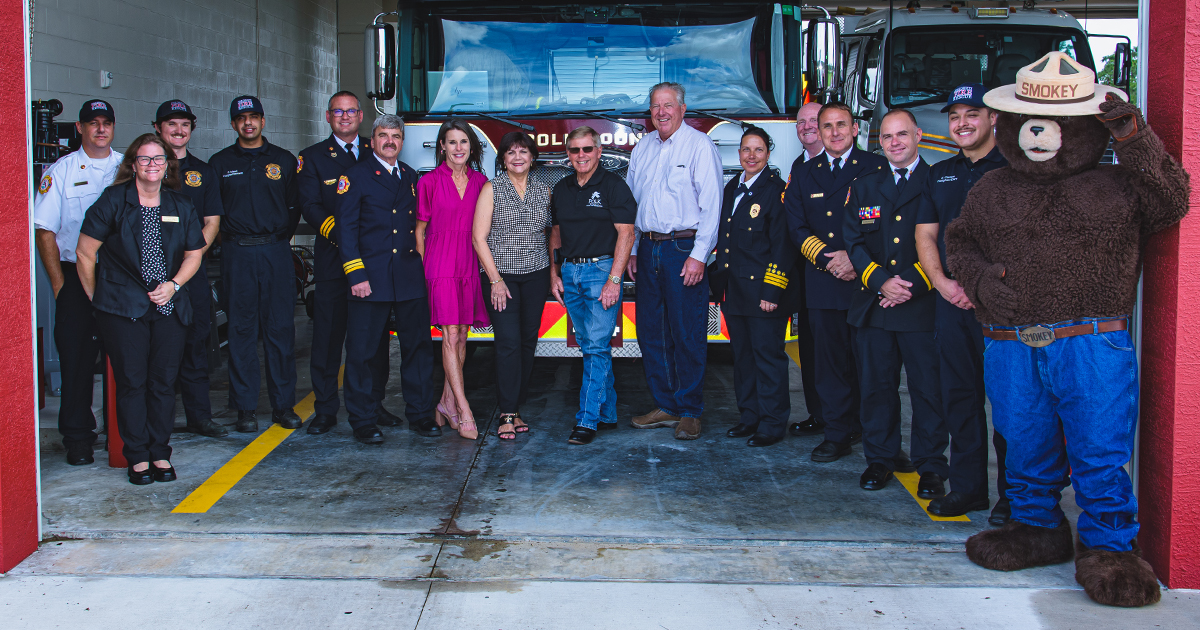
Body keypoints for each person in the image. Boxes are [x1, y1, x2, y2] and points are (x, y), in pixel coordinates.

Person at [74, 133, 207, 484]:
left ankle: (160, 453)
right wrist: (97, 298)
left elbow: (195, 253)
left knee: (163, 383)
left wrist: (174, 285)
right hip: (122, 309)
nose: (152, 166)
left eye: (159, 160)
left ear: (168, 166)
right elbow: (86, 252)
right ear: (133, 164)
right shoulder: (114, 200)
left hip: (169, 305)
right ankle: (137, 456)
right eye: (145, 159)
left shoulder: (180, 206)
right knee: (132, 382)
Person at [914, 84, 1011, 523]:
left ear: (993, 118)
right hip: (951, 302)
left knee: (1011, 403)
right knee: (960, 397)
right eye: (955, 116)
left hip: (1003, 305)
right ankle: (969, 489)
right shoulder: (941, 173)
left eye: (973, 113)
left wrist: (984, 286)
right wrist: (941, 282)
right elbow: (925, 235)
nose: (963, 123)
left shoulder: (1016, 169)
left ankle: (1014, 496)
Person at [842, 109, 947, 493]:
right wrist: (883, 283)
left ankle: (931, 466)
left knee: (928, 390)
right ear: (879, 142)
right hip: (875, 304)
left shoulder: (938, 180)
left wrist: (912, 285)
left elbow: (947, 241)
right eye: (887, 137)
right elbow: (852, 241)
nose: (895, 143)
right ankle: (880, 459)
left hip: (922, 305)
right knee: (876, 388)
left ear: (918, 135)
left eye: (902, 134)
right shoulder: (866, 185)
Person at [784, 102, 888, 464]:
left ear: (855, 129)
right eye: (827, 126)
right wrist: (829, 260)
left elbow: (888, 225)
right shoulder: (804, 173)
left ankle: (878, 440)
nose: (834, 132)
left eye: (841, 125)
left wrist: (853, 259)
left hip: (867, 282)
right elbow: (797, 228)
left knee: (872, 367)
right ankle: (836, 433)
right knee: (829, 367)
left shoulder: (875, 167)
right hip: (824, 281)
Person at [297, 91, 399, 436]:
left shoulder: (379, 150)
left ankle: (374, 404)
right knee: (328, 338)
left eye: (351, 111)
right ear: (328, 117)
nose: (345, 117)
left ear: (360, 116)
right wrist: (344, 238)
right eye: (337, 112)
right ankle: (325, 409)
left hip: (373, 267)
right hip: (332, 263)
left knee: (374, 342)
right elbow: (310, 206)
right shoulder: (311, 158)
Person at [625, 82, 723, 440]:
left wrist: (700, 256)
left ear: (683, 109)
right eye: (655, 107)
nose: (661, 112)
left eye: (668, 105)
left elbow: (712, 206)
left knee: (687, 331)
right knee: (652, 331)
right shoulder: (644, 148)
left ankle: (690, 410)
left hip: (684, 250)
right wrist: (634, 248)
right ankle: (666, 405)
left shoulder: (699, 145)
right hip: (649, 248)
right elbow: (633, 204)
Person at [336, 115, 438, 444]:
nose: (390, 141)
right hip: (371, 277)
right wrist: (356, 274)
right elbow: (346, 231)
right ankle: (363, 418)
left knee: (418, 349)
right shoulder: (355, 177)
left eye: (395, 135)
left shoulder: (410, 176)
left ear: (402, 140)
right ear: (372, 140)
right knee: (363, 353)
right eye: (383, 135)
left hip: (408, 276)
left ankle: (421, 413)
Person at [34, 99, 123, 466]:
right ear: (80, 128)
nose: (100, 129)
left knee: (126, 358)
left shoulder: (128, 168)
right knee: (75, 359)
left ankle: (124, 437)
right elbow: (45, 232)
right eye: (93, 123)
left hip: (119, 276)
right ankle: (78, 440)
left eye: (106, 123)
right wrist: (58, 284)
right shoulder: (62, 171)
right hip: (74, 274)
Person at [208, 95, 301, 433]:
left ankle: (283, 405)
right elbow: (214, 217)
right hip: (238, 254)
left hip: (276, 251)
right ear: (233, 124)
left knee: (280, 330)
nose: (248, 122)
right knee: (241, 331)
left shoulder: (284, 160)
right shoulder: (218, 163)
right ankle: (245, 409)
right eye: (241, 117)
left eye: (254, 116)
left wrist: (275, 240)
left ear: (264, 121)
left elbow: (293, 209)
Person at [711, 128, 799, 447]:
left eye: (758, 150)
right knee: (743, 359)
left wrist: (772, 293)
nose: (751, 156)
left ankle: (773, 423)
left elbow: (783, 247)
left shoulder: (777, 191)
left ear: (768, 153)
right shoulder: (733, 187)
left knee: (768, 360)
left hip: (763, 293)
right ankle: (749, 417)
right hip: (735, 291)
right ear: (739, 154)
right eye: (746, 150)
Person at [549, 127, 637, 445]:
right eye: (575, 150)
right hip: (571, 273)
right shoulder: (560, 189)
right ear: (568, 154)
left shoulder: (614, 186)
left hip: (602, 272)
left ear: (599, 152)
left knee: (597, 347)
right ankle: (608, 412)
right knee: (590, 347)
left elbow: (627, 235)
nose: (581, 156)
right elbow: (555, 235)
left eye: (587, 149)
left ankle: (586, 421)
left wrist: (615, 279)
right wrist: (554, 273)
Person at [152, 99, 226, 439]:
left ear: (191, 129)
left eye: (184, 124)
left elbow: (212, 221)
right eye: (171, 124)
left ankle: (200, 417)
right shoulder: (147, 168)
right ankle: (156, 421)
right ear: (158, 128)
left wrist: (193, 256)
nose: (178, 130)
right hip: (152, 274)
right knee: (157, 348)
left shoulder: (203, 171)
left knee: (196, 343)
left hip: (191, 273)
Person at [472, 132, 552, 439]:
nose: (517, 157)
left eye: (523, 152)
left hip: (536, 275)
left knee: (528, 343)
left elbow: (548, 234)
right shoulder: (492, 189)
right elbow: (479, 238)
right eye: (511, 152)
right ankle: (506, 412)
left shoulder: (544, 190)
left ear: (532, 157)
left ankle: (516, 409)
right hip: (500, 277)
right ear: (503, 159)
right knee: (507, 343)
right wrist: (495, 280)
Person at [416, 119, 490, 440]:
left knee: (462, 335)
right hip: (440, 262)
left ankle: (445, 402)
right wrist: (421, 271)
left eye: (464, 142)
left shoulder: (481, 182)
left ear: (471, 147)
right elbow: (418, 231)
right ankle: (463, 408)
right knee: (449, 334)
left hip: (467, 261)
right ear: (442, 146)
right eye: (452, 142)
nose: (458, 148)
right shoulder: (429, 182)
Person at [787, 100, 825, 437]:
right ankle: (819, 414)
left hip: (850, 274)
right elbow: (795, 224)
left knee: (845, 354)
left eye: (814, 120)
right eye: (801, 122)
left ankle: (850, 421)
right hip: (811, 272)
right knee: (811, 349)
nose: (807, 127)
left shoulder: (858, 165)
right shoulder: (799, 166)